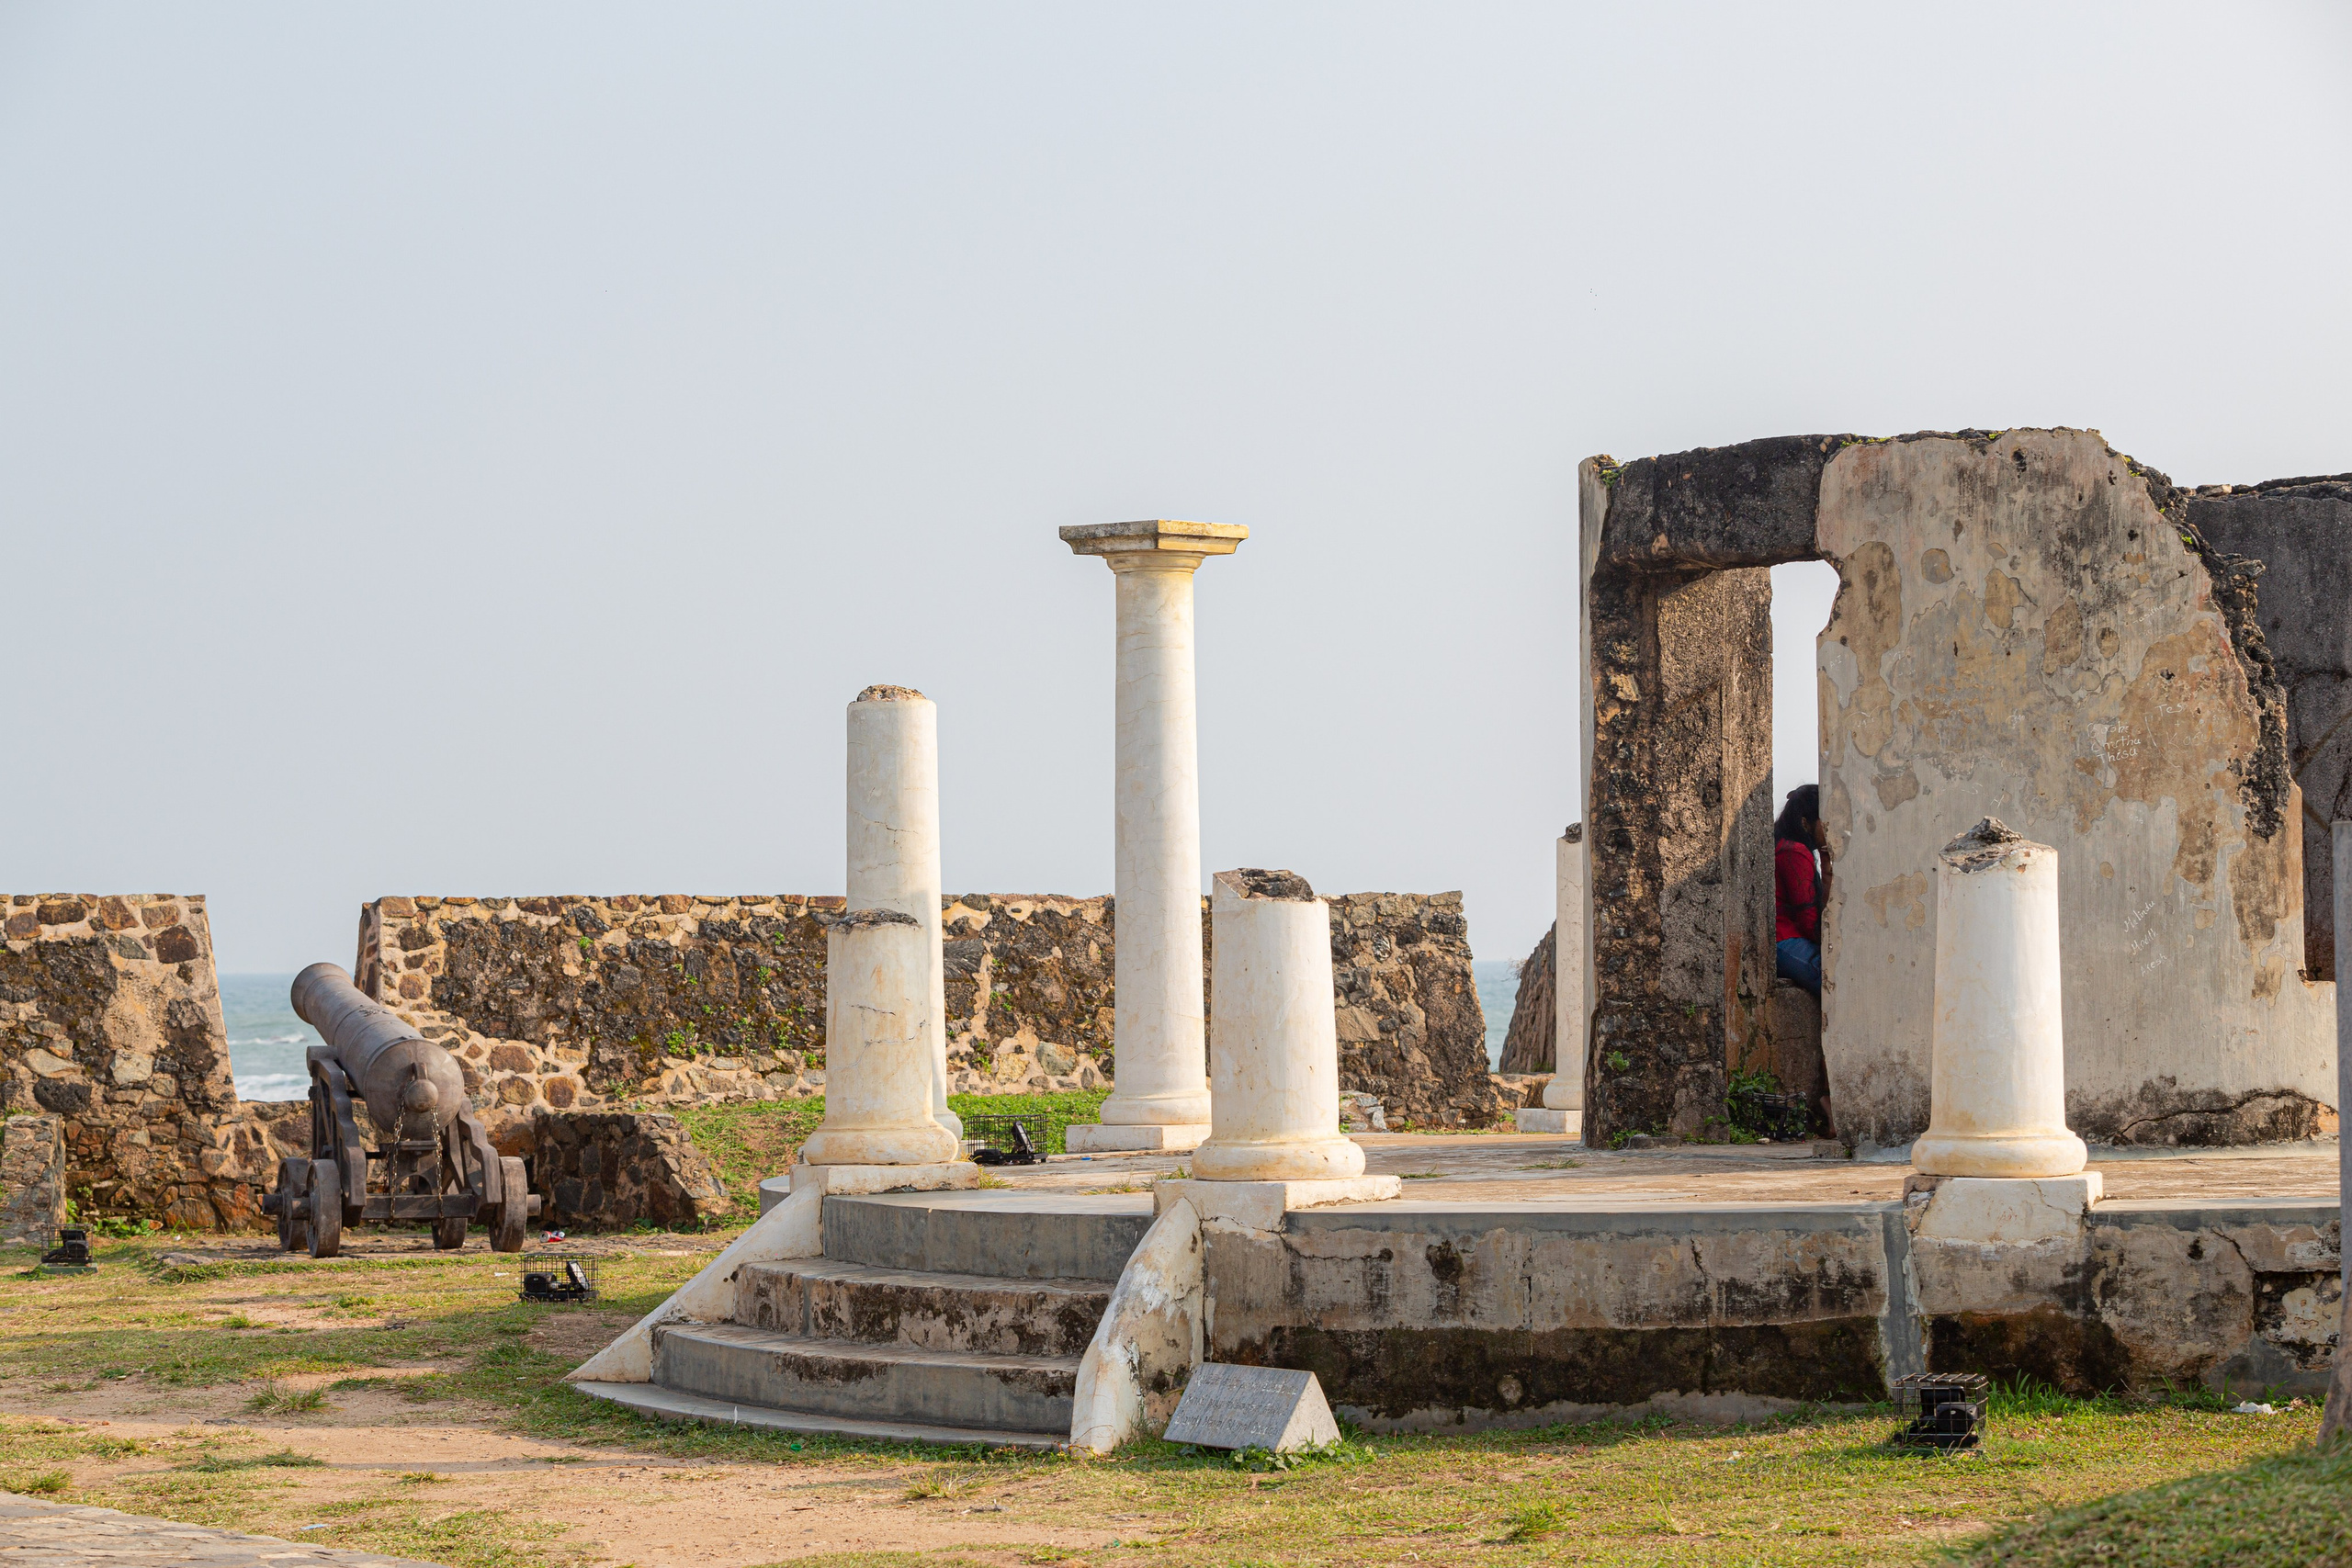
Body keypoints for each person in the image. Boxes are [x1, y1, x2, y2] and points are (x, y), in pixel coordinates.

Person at [1774, 784, 1830, 997]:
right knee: (1834, 978)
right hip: (1785, 940)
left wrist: (1827, 870)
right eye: (1825, 822)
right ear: (1805, 823)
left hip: (1786, 939)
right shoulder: (1794, 852)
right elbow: (1808, 920)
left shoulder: (1785, 845)